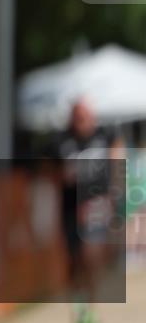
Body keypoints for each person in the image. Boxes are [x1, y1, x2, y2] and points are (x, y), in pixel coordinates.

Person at [55, 97, 124, 323]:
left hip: (96, 205)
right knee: (74, 260)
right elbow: (49, 169)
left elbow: (118, 150)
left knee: (91, 254)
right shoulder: (62, 141)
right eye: (79, 116)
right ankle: (79, 304)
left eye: (86, 116)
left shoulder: (104, 136)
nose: (83, 121)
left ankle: (89, 307)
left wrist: (115, 188)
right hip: (70, 208)